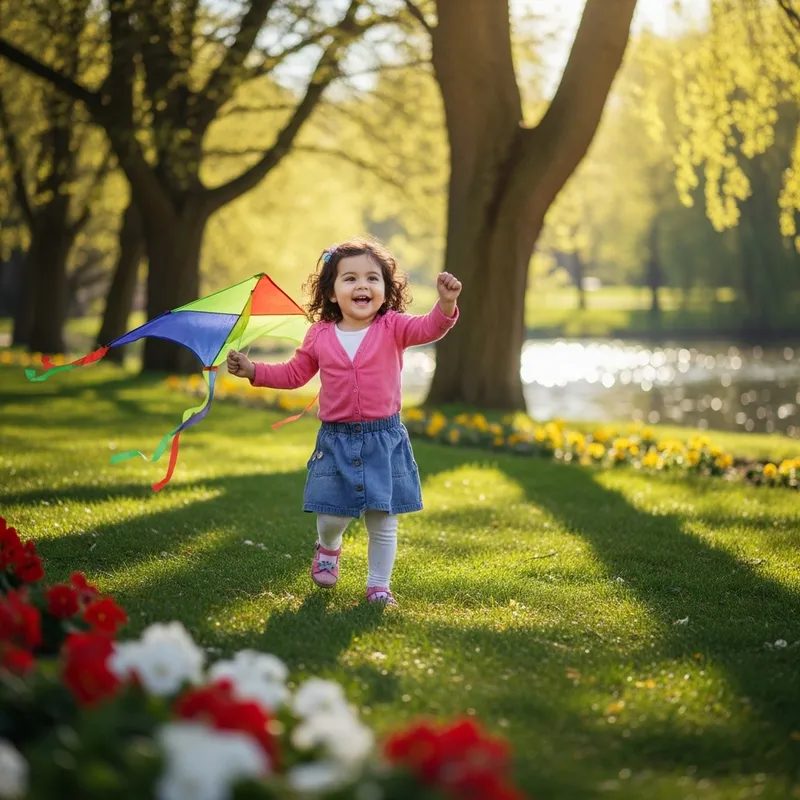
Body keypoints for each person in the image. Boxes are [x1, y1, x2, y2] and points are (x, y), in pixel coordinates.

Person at [227, 237, 461, 606]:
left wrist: (446, 304)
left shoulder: (393, 326)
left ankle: (378, 586)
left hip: (383, 438)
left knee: (383, 518)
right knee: (331, 516)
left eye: (372, 278)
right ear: (332, 293)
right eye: (350, 279)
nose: (362, 285)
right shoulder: (320, 335)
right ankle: (328, 545)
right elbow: (294, 373)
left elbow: (429, 328)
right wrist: (254, 370)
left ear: (386, 289)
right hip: (336, 439)